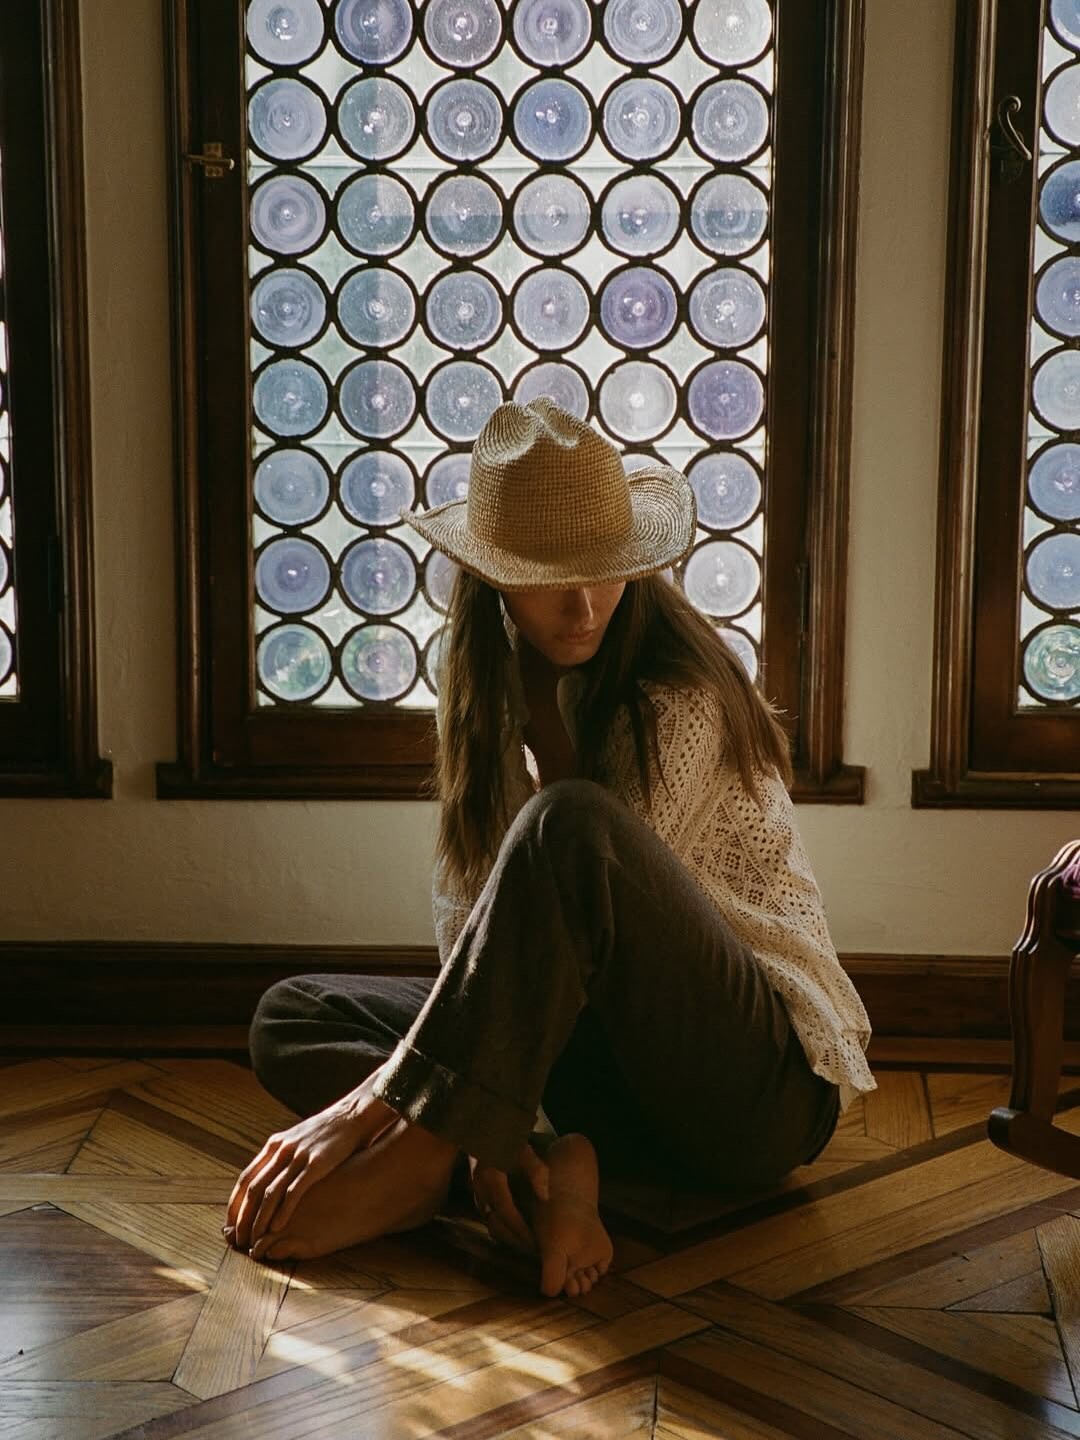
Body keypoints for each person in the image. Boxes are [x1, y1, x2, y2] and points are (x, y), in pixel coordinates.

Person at [223, 396, 878, 1300]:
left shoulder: (678, 697)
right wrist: (513, 1123)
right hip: (610, 1094)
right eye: (548, 578)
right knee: (292, 1015)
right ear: (492, 577)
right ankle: (540, 1170)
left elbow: (582, 929)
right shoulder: (488, 693)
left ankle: (426, 1163)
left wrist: (375, 1105)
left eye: (607, 571)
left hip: (749, 1093)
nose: (585, 604)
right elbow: (483, 947)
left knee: (568, 824)